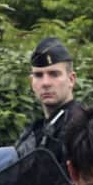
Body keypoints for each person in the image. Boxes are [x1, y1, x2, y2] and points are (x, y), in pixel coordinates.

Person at [15, 37, 82, 167]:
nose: (46, 83)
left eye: (54, 74)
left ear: (71, 79)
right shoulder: (34, 131)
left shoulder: (83, 127)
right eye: (39, 75)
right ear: (32, 82)